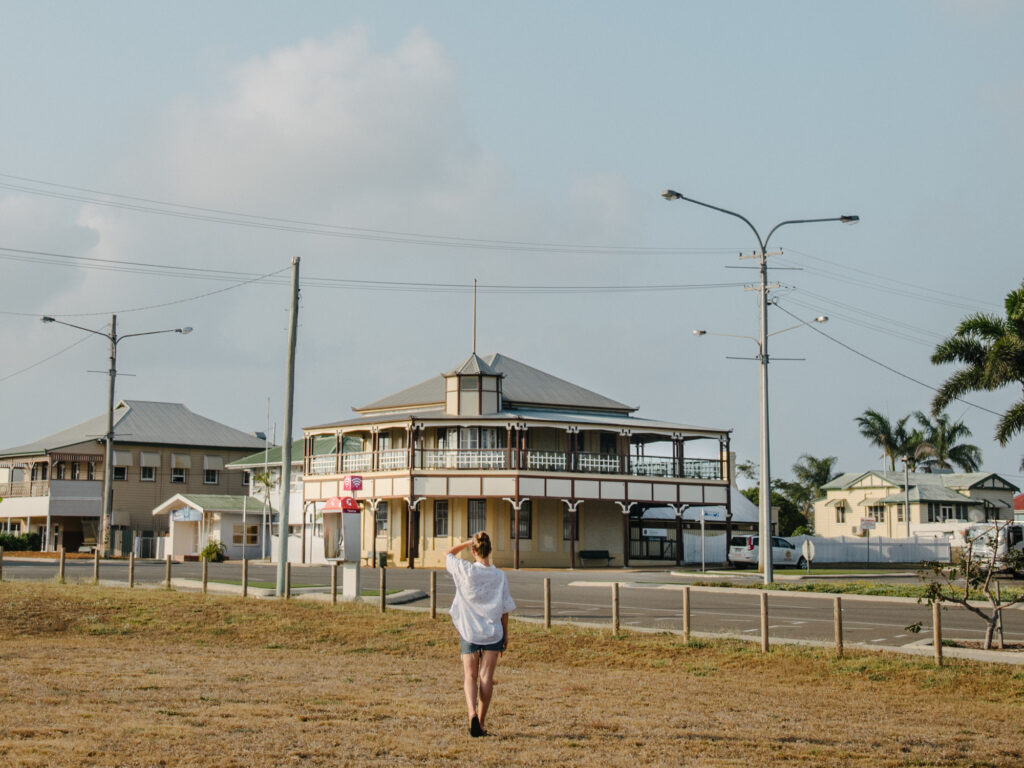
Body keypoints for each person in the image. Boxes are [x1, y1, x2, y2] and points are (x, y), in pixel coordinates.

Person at [446, 531, 515, 737]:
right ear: (490, 551)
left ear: (474, 551)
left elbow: (448, 554)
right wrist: (505, 634)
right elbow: (504, 608)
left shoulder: (465, 570)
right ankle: (482, 723)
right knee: (486, 677)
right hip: (492, 632)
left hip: (469, 631)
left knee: (470, 675)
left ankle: (471, 713)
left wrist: (468, 541)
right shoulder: (499, 576)